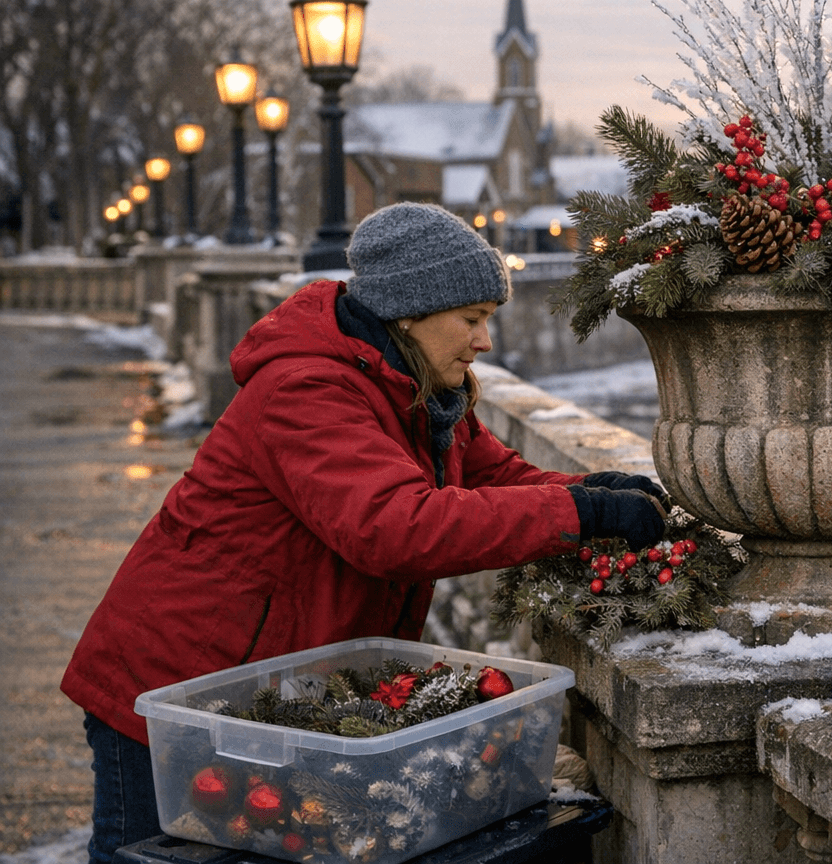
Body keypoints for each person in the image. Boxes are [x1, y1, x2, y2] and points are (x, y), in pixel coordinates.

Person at [62, 202, 667, 864]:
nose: (484, 342)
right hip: (173, 688)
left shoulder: (416, 386)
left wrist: (591, 490)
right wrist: (580, 515)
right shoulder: (307, 388)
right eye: (472, 320)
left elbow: (493, 475)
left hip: (261, 698)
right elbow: (394, 528)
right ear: (409, 312)